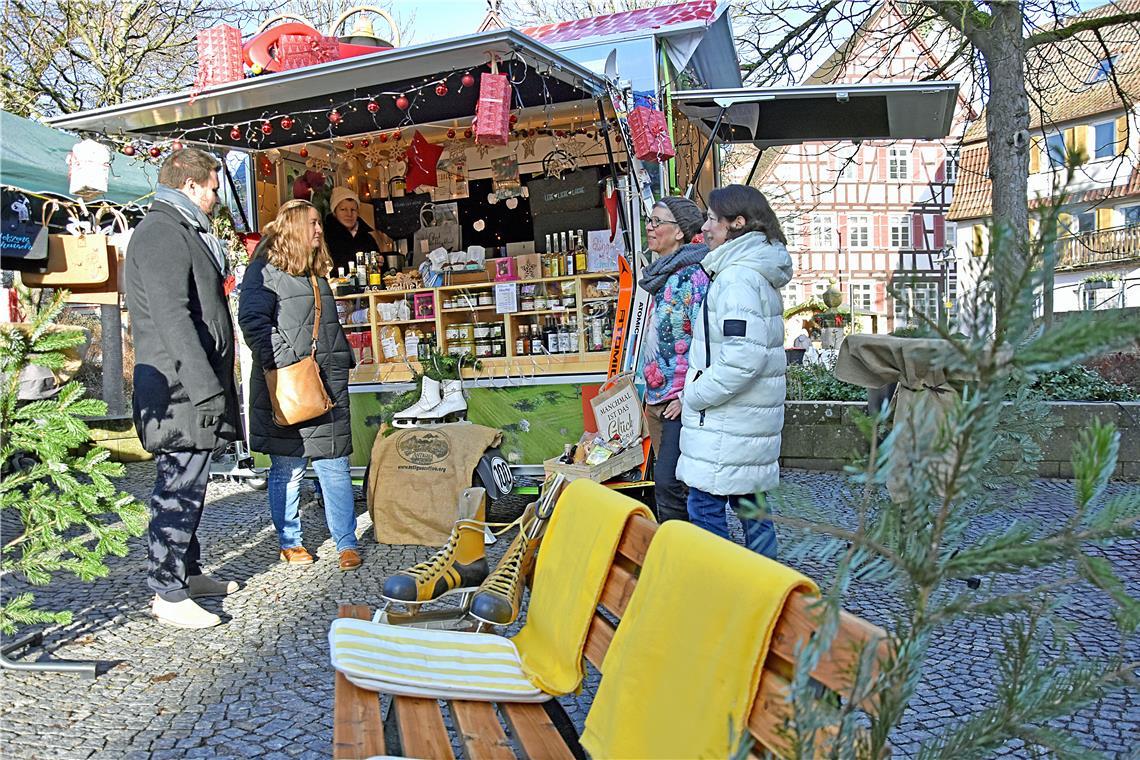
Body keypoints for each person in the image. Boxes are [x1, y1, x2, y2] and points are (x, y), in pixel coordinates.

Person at [126, 148, 241, 629]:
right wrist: (206, 390)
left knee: (191, 481)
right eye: (214, 187)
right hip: (177, 391)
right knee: (178, 486)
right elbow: (173, 319)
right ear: (191, 185)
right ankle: (167, 593)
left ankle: (188, 574)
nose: (217, 198)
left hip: (185, 387)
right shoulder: (161, 233)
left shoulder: (179, 228)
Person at [238, 199, 362, 571]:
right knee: (287, 468)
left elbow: (326, 327)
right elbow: (253, 324)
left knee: (335, 465)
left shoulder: (316, 272)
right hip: (289, 384)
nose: (319, 229)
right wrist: (291, 362)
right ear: (293, 226)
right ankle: (290, 542)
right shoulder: (263, 272)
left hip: (327, 383)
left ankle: (346, 542)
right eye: (313, 223)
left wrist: (341, 357)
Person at [675, 184, 793, 559]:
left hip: (728, 424)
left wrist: (694, 393)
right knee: (752, 509)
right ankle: (766, 591)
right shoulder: (753, 272)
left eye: (712, 219)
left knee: (704, 508)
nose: (705, 227)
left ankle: (724, 591)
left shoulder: (737, 279)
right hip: (745, 424)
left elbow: (743, 359)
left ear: (736, 224)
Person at [638, 196, 708, 522]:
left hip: (678, 399)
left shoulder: (692, 276)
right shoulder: (663, 275)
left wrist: (685, 395)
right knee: (666, 484)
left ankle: (684, 554)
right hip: (656, 396)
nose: (649, 228)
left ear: (679, 232)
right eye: (649, 221)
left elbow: (704, 343)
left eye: (657, 222)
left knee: (670, 483)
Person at [322, 186, 380, 274]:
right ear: (334, 212)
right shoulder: (325, 238)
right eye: (343, 209)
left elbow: (380, 270)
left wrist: (380, 263)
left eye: (353, 210)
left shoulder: (367, 239)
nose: (349, 214)